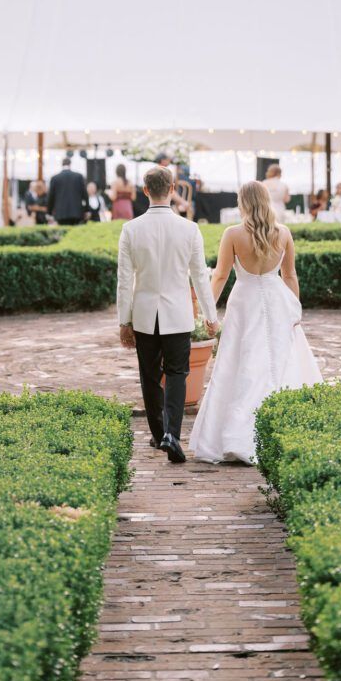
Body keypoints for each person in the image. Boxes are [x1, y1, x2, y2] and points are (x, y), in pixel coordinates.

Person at [189, 180, 322, 465]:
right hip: (277, 300)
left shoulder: (233, 234)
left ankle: (239, 435)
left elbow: (221, 275)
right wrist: (295, 309)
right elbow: (290, 276)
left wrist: (208, 313)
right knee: (280, 360)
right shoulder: (283, 233)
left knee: (241, 363)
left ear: (243, 202)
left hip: (243, 302)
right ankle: (282, 430)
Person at [117, 166, 218, 464]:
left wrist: (124, 321)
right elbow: (200, 277)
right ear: (173, 189)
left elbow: (124, 281)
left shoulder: (131, 229)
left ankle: (158, 432)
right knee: (177, 373)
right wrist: (211, 316)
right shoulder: (189, 229)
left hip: (145, 314)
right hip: (177, 314)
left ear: (145, 190)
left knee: (149, 376)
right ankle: (171, 435)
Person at [48, 156, 88, 225]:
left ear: (62, 164)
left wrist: (49, 212)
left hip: (60, 213)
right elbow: (84, 194)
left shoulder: (55, 178)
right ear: (70, 164)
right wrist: (87, 210)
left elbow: (51, 196)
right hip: (76, 212)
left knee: (63, 230)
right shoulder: (79, 177)